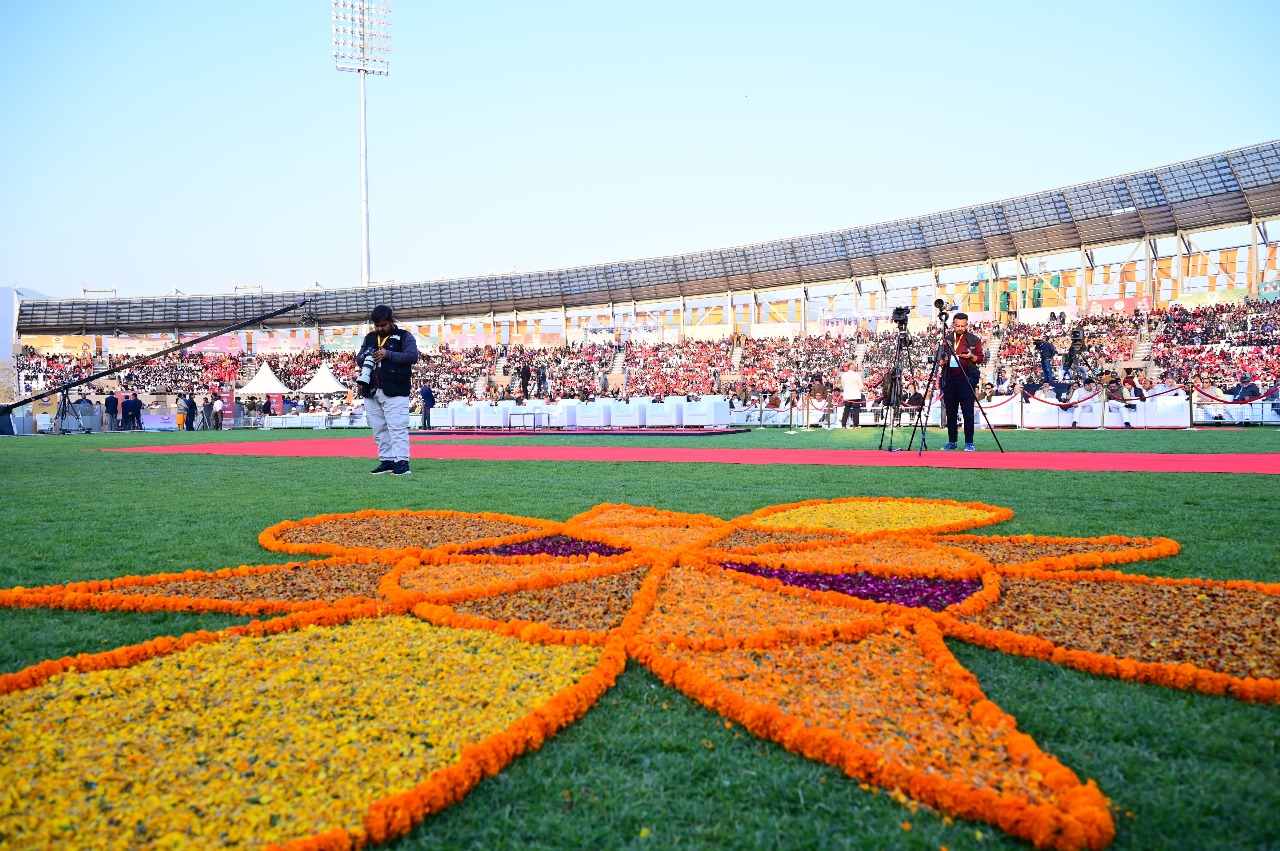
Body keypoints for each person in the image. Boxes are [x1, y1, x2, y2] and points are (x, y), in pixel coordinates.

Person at [359, 304, 420, 475]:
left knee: (397, 427)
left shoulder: (404, 336)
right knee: (379, 429)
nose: (379, 329)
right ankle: (386, 461)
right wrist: (364, 356)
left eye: (383, 325)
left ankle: (402, 462)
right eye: (376, 326)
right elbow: (358, 359)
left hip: (396, 389)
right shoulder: (370, 338)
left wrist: (388, 355)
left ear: (392, 321)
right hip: (371, 390)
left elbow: (412, 356)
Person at [936, 312, 985, 451]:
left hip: (967, 380)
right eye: (957, 325)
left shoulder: (973, 339)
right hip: (950, 380)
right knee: (950, 412)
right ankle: (952, 441)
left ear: (967, 324)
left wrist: (971, 356)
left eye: (963, 326)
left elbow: (980, 359)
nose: (960, 328)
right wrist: (943, 361)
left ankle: (969, 442)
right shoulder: (946, 339)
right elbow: (939, 361)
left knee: (967, 412)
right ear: (953, 324)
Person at [838, 362, 863, 428]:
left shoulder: (843, 375)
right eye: (855, 367)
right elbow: (861, 385)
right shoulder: (857, 375)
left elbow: (843, 385)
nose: (855, 368)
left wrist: (846, 391)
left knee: (846, 409)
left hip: (847, 395)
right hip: (856, 394)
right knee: (856, 410)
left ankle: (843, 425)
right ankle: (856, 425)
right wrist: (859, 390)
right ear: (852, 367)